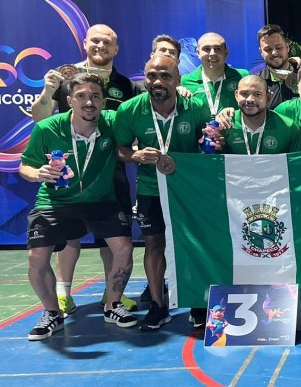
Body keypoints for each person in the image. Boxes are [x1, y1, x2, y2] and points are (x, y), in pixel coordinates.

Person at [31, 24, 140, 314]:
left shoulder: (125, 84)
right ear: (85, 43)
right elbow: (39, 116)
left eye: (108, 42)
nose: (101, 46)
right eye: (96, 41)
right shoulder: (67, 78)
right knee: (70, 236)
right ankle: (63, 293)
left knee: (113, 237)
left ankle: (111, 294)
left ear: (116, 48)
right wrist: (48, 88)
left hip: (108, 168)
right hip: (71, 170)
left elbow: (129, 127)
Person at [20, 73, 137, 340]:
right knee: (36, 258)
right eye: (82, 96)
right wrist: (37, 173)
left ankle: (113, 305)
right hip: (55, 201)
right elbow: (25, 166)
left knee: (123, 248)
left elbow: (139, 117)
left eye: (95, 96)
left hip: (100, 200)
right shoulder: (47, 128)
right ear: (70, 100)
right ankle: (52, 313)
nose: (89, 102)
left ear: (104, 101)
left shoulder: (112, 123)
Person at [115, 56, 213, 331]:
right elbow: (119, 149)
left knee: (193, 243)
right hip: (150, 189)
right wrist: (135, 154)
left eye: (165, 76)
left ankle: (198, 303)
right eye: (151, 76)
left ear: (178, 79)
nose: (157, 82)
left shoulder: (196, 107)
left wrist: (211, 143)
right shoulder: (129, 110)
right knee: (154, 244)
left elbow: (210, 142)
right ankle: (159, 306)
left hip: (188, 190)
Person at [221, 75, 301, 155]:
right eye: (244, 94)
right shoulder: (224, 125)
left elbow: (297, 165)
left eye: (257, 94)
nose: (250, 99)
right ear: (236, 95)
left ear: (268, 98)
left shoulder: (288, 128)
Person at [181, 32, 250, 117]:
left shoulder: (243, 77)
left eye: (218, 48)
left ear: (226, 52)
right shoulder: (185, 82)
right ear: (198, 53)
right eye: (206, 49)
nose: (212, 53)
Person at [255, 24, 300, 109]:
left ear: (287, 47)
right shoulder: (257, 83)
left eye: (278, 47)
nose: (274, 53)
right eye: (268, 49)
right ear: (261, 52)